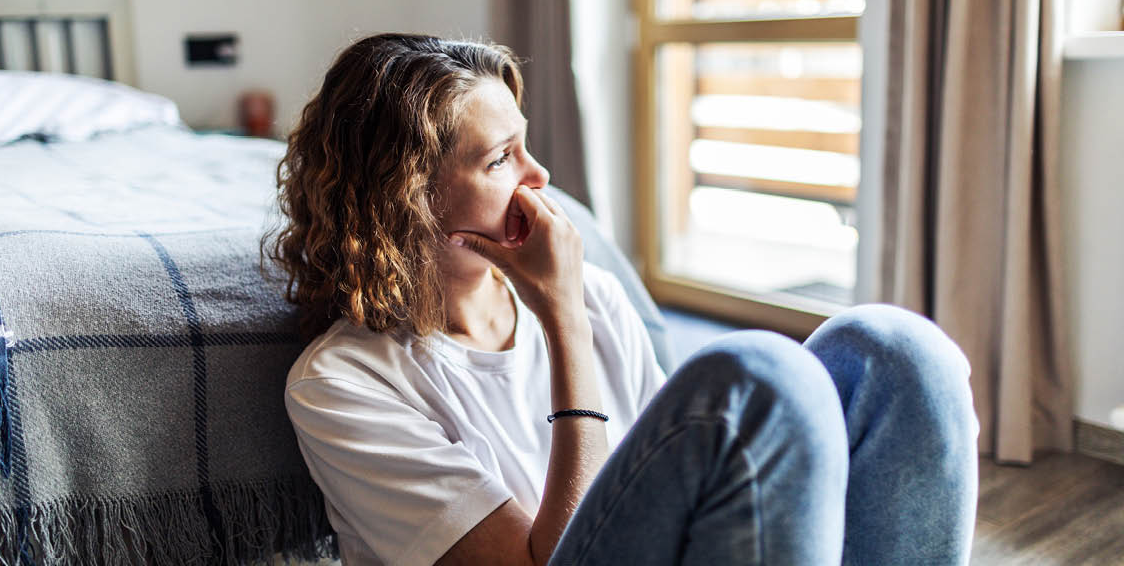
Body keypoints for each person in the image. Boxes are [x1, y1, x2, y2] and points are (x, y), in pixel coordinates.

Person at [265, 33, 979, 566]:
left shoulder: (595, 291)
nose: (539, 176)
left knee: (892, 349)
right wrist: (564, 322)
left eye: (527, 145)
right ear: (408, 201)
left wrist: (573, 305)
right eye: (499, 159)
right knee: (761, 375)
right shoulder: (343, 383)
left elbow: (684, 475)